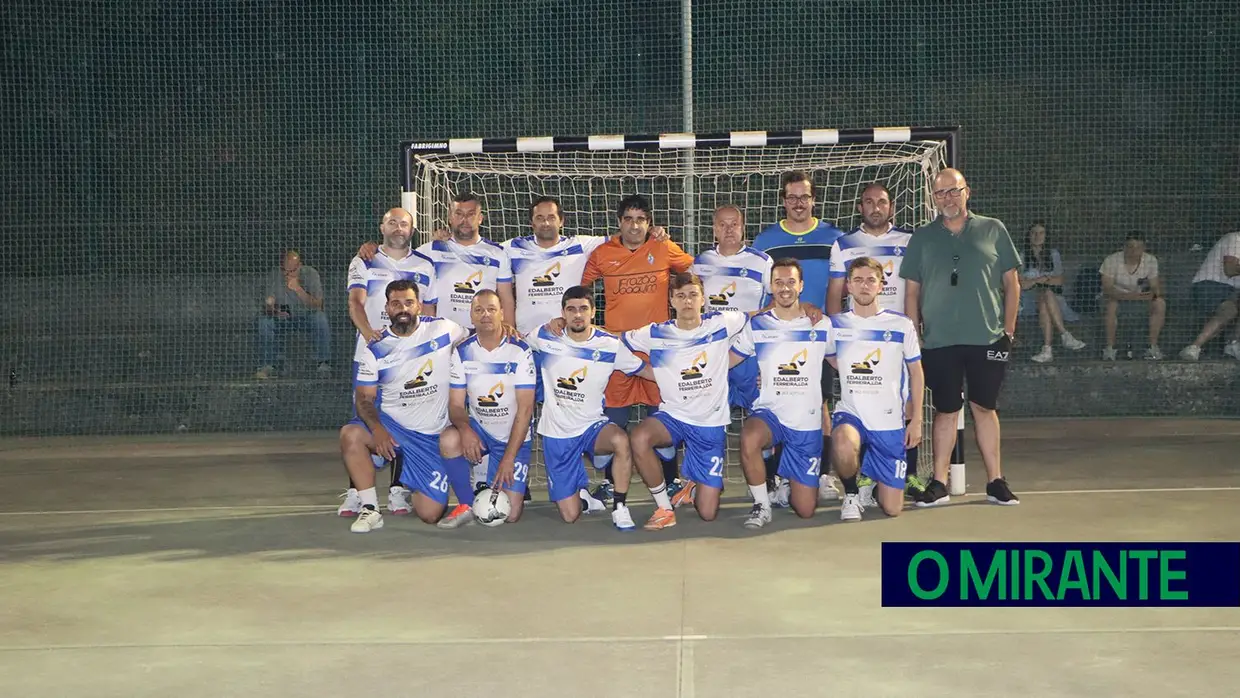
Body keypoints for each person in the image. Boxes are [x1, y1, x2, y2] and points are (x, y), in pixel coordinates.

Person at [899, 167, 1021, 507]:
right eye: (940, 193)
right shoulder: (923, 238)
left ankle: (995, 480)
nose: (948, 198)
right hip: (939, 341)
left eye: (954, 191)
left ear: (968, 191)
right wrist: (915, 336)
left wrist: (1008, 331)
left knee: (985, 406)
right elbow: (912, 292)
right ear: (933, 198)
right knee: (945, 409)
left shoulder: (993, 229)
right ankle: (939, 483)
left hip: (988, 339)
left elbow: (1012, 284)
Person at [581, 195, 695, 503]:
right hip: (618, 350)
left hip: (657, 351)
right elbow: (583, 291)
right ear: (619, 222)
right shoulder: (603, 254)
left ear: (649, 223)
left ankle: (672, 480)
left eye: (641, 219)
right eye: (629, 219)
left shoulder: (662, 247)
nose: (634, 225)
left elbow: (692, 274)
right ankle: (608, 482)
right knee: (613, 419)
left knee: (663, 417)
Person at [526, 286, 668, 530]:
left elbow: (644, 370)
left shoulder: (610, 345)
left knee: (620, 440)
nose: (577, 315)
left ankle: (620, 507)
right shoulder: (544, 335)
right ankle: (584, 498)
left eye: (583, 309)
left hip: (592, 426)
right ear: (563, 313)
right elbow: (514, 341)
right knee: (570, 516)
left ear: (593, 312)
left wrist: (682, 383)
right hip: (557, 432)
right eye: (571, 310)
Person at [337, 280, 473, 533]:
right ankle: (370, 509)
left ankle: (411, 480)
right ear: (387, 308)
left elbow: (476, 337)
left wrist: (505, 329)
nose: (403, 308)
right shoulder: (375, 348)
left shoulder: (444, 329)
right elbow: (364, 398)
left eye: (409, 302)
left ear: (419, 306)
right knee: (351, 434)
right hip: (393, 428)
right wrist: (377, 429)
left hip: (429, 438)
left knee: (430, 514)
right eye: (396, 303)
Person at [624, 272, 750, 529]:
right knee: (639, 437)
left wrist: (801, 308)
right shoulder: (655, 333)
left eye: (693, 295)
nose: (687, 301)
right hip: (674, 416)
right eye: (680, 296)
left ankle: (693, 482)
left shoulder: (722, 322)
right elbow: (616, 341)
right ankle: (663, 507)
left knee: (708, 512)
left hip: (709, 423)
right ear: (671, 301)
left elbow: (760, 320)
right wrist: (643, 370)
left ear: (703, 299)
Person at [826, 182, 923, 499]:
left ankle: (906, 474)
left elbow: (910, 293)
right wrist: (836, 341)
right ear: (860, 208)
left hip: (895, 339)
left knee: (904, 404)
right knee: (865, 405)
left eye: (881, 202)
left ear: (891, 207)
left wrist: (914, 336)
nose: (875, 207)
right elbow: (834, 294)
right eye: (869, 202)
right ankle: (865, 474)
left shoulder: (908, 241)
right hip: (857, 338)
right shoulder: (844, 244)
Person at [753, 171, 846, 499]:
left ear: (813, 199)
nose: (798, 203)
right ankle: (782, 477)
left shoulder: (834, 238)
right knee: (780, 405)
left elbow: (839, 287)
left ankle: (821, 474)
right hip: (777, 338)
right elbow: (762, 295)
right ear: (782, 201)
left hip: (814, 339)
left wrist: (830, 324)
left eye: (803, 197)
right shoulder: (765, 242)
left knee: (820, 406)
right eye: (791, 197)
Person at [339, 208, 437, 517]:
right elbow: (355, 302)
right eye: (392, 222)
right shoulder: (364, 260)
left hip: (410, 358)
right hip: (371, 355)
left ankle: (398, 490)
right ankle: (356, 491)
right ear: (382, 226)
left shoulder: (425, 264)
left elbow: (430, 312)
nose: (398, 227)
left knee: (406, 416)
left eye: (404, 223)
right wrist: (370, 336)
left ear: (413, 229)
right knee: (365, 417)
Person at [732, 258, 831, 528]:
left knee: (806, 509)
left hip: (805, 422)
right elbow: (727, 360)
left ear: (801, 286)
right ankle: (761, 505)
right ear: (771, 286)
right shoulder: (757, 325)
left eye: (790, 282)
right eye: (778, 282)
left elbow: (841, 361)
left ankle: (787, 481)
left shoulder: (821, 325)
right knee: (750, 437)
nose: (784, 288)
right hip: (771, 412)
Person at [827, 257, 925, 521]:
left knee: (892, 509)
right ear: (848, 286)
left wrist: (916, 420)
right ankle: (851, 494)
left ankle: (869, 475)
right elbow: (825, 357)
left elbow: (916, 372)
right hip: (853, 414)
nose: (864, 285)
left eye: (871, 280)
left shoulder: (901, 324)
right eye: (857, 280)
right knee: (844, 442)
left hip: (888, 422)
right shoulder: (834, 325)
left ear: (882, 285)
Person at [445, 290, 537, 528]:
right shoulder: (462, 350)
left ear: (502, 313)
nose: (485, 315)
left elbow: (526, 410)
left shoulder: (520, 350)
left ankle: (490, 473)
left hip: (512, 438)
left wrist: (509, 457)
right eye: (479, 310)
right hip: (480, 431)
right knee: (449, 439)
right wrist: (465, 429)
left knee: (511, 514)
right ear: (472, 316)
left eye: (491, 309)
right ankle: (466, 503)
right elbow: (455, 404)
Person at [690, 204, 772, 412]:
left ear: (743, 227)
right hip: (715, 351)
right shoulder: (701, 262)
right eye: (722, 225)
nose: (729, 230)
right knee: (711, 417)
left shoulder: (762, 262)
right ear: (715, 229)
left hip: (750, 354)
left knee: (761, 419)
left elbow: (778, 302)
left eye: (734, 224)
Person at [414, 192, 516, 331]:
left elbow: (507, 299)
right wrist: (375, 250)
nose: (464, 220)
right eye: (459, 214)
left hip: (483, 333)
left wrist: (508, 329)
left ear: (480, 218)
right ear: (450, 218)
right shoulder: (432, 250)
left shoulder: (497, 253)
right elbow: (400, 257)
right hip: (444, 334)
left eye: (471, 214)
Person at [256, 249, 331, 379]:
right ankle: (267, 365)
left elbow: (318, 304)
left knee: (320, 319)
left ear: (299, 266)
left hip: (306, 317)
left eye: (292, 271)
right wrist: (273, 310)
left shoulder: (311, 274)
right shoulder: (275, 275)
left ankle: (323, 363)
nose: (288, 274)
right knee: (265, 322)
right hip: (283, 318)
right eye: (285, 271)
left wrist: (298, 289)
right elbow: (267, 306)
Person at [1021, 222, 1087, 363]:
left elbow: (1059, 280)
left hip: (1054, 301)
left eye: (1041, 233)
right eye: (1034, 232)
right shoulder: (1021, 256)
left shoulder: (1053, 254)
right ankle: (1065, 335)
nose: (1038, 236)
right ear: (1029, 236)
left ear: (1046, 236)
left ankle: (1047, 350)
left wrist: (1036, 281)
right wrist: (1044, 279)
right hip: (1029, 301)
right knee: (1044, 294)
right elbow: (1022, 285)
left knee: (1046, 295)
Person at [1098, 231, 1166, 360]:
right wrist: (1129, 296)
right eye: (1130, 247)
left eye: (1138, 247)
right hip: (1116, 297)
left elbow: (1155, 288)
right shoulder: (1111, 260)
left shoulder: (1151, 260)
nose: (1134, 251)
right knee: (1111, 306)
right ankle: (1110, 349)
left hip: (1140, 298)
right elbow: (1107, 288)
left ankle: (1152, 347)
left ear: (1144, 248)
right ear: (1124, 247)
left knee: (1160, 304)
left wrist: (1150, 294)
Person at [1179, 231, 1240, 360]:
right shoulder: (1235, 239)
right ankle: (1197, 346)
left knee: (1229, 311)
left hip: (1231, 291)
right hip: (1210, 286)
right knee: (1229, 309)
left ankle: (1232, 344)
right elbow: (1229, 269)